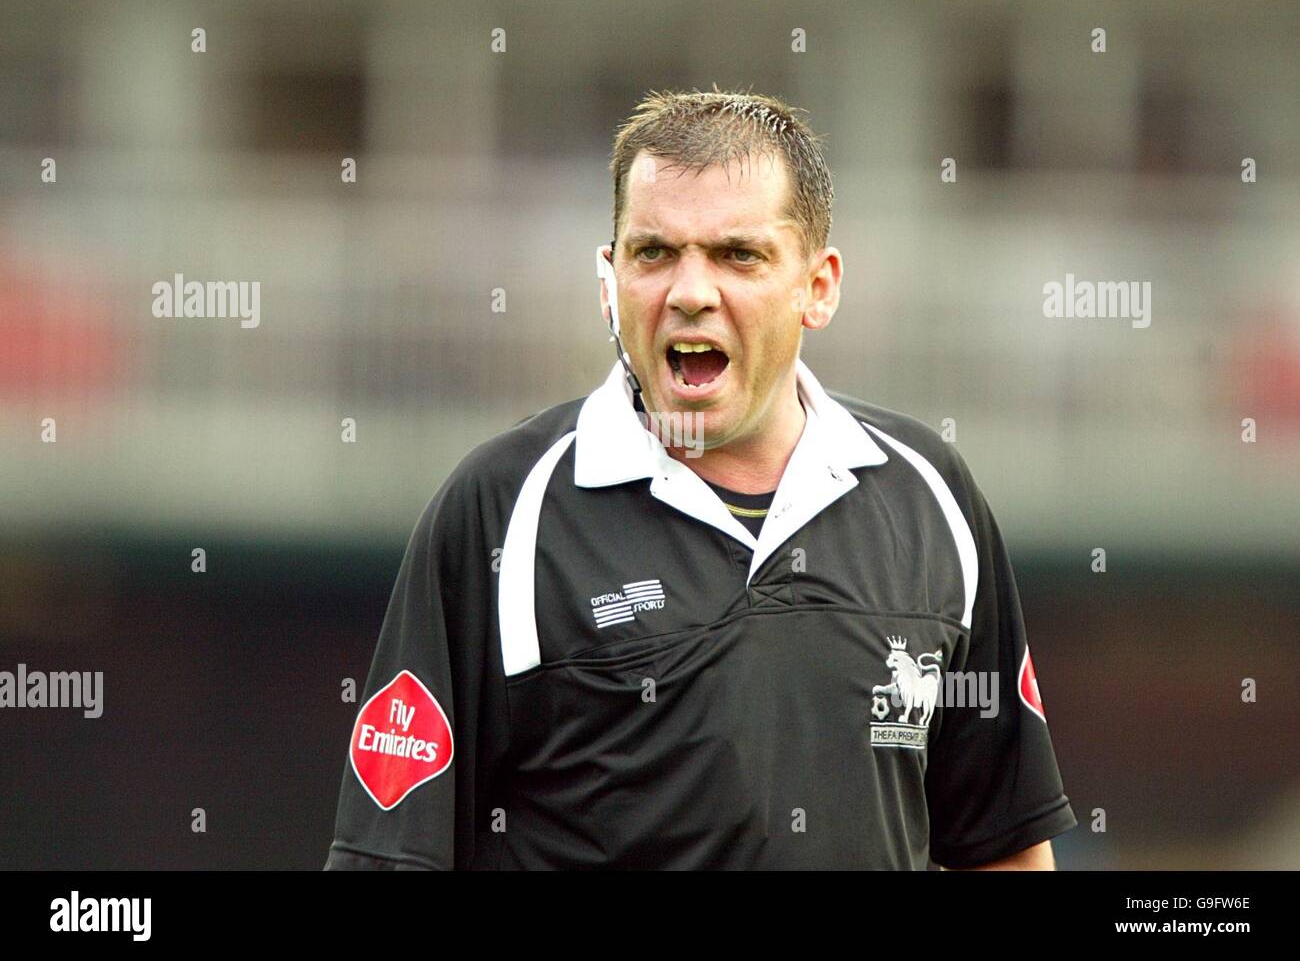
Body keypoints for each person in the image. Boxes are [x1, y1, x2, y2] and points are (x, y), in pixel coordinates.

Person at [324, 88, 1077, 869]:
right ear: (608, 280)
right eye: (654, 253)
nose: (690, 292)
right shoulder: (500, 511)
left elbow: (1004, 845)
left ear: (818, 286)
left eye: (736, 255)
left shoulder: (931, 495)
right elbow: (388, 855)